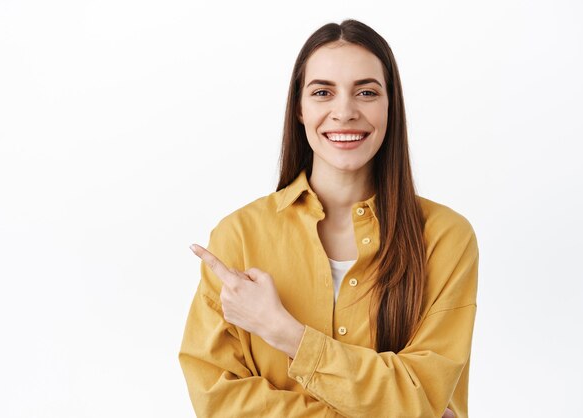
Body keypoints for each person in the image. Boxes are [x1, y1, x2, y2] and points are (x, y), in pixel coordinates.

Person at [179, 19, 478, 418]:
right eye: (323, 92)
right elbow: (218, 401)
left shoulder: (445, 238)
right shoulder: (239, 236)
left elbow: (421, 395)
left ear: (391, 106)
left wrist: (284, 331)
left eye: (366, 92)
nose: (345, 112)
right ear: (299, 110)